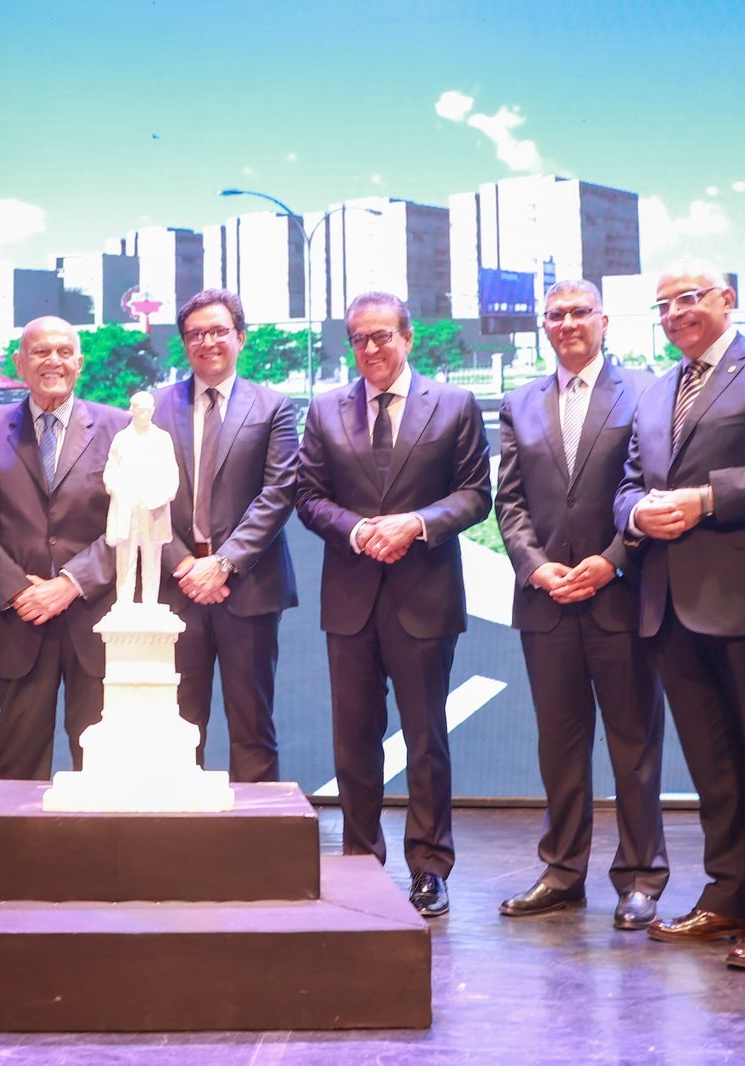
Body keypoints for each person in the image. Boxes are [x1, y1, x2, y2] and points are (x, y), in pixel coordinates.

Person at [613, 260, 745, 969]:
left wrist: (706, 499)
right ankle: (728, 895)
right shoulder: (655, 391)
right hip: (670, 604)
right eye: (663, 305)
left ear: (727, 299)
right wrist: (635, 513)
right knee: (714, 768)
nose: (674, 313)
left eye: (689, 297)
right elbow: (628, 483)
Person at [296, 291, 491, 918]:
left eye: (382, 335)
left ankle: (430, 867)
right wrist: (357, 530)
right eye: (359, 338)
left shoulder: (454, 404)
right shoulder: (324, 409)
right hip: (350, 597)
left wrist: (415, 524)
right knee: (354, 738)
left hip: (424, 595)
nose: (371, 348)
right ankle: (361, 860)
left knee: (426, 738)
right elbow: (308, 496)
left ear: (407, 337)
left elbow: (475, 494)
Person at [494, 280, 667, 929]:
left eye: (579, 313)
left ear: (604, 320)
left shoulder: (646, 392)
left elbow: (653, 488)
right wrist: (536, 568)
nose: (567, 323)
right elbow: (510, 501)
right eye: (555, 315)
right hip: (548, 602)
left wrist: (613, 560)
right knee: (560, 746)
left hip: (620, 593)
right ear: (544, 325)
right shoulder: (520, 402)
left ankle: (640, 876)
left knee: (634, 744)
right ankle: (563, 873)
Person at [0, 316, 129, 779]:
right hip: (18, 617)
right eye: (40, 352)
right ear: (19, 363)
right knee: (17, 764)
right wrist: (19, 590)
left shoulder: (119, 430)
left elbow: (130, 525)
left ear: (80, 362)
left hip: (94, 615)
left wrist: (70, 583)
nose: (52, 361)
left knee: (101, 766)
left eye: (63, 352)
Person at [152, 290, 298, 781]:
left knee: (252, 725)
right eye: (195, 334)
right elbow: (144, 499)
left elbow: (278, 493)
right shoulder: (155, 407)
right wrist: (183, 564)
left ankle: (256, 826)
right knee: (176, 725)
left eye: (218, 331)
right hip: (176, 587)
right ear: (184, 343)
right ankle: (177, 823)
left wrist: (223, 563)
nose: (207, 342)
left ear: (240, 337)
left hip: (248, 587)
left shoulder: (273, 406)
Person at [104, 392, 177, 604]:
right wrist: (117, 489)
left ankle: (150, 602)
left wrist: (159, 497)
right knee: (125, 557)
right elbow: (110, 470)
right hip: (126, 506)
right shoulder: (121, 439)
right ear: (132, 410)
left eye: (148, 410)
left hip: (153, 507)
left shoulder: (162, 438)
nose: (145, 414)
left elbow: (171, 474)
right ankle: (124, 602)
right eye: (141, 410)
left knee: (152, 557)